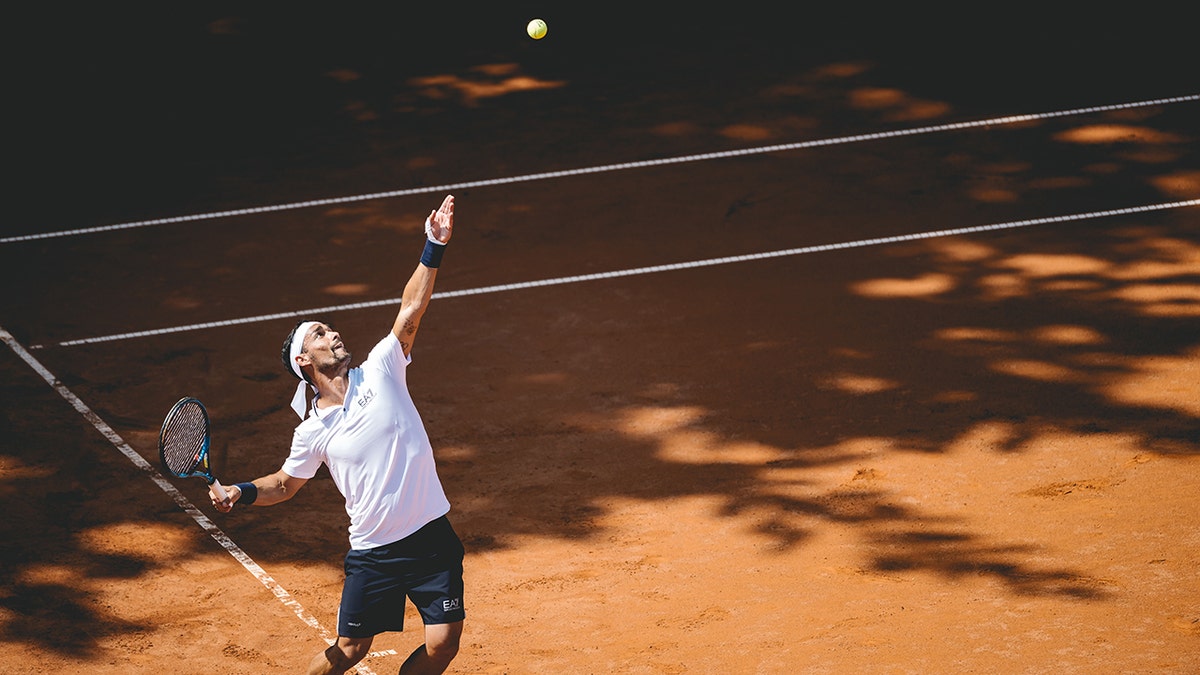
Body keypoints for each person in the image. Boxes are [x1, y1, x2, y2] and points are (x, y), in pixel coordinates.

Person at [210, 194, 464, 675]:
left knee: (443, 644)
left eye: (330, 328)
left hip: (431, 535)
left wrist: (434, 245)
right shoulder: (312, 432)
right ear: (304, 362)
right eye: (319, 334)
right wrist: (239, 493)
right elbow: (284, 485)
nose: (332, 335)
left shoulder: (383, 368)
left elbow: (411, 309)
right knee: (349, 650)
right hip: (374, 551)